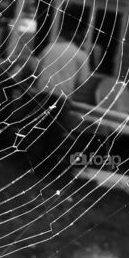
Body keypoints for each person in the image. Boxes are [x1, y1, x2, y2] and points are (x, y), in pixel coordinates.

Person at [24, 28, 91, 172]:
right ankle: (47, 167)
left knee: (37, 128)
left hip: (42, 93)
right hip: (61, 96)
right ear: (80, 43)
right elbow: (83, 80)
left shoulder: (50, 47)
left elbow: (35, 68)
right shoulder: (80, 55)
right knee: (54, 131)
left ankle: (30, 162)